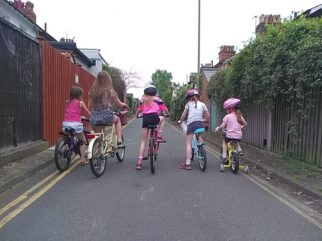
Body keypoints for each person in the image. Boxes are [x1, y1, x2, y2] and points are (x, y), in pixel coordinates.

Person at [88, 71, 128, 148]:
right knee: (118, 120)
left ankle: (98, 149)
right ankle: (119, 141)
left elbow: (90, 105)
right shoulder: (110, 91)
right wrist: (125, 105)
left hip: (94, 118)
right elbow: (119, 104)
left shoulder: (92, 91)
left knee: (98, 136)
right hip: (106, 117)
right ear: (108, 80)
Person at [135, 85, 169, 170]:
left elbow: (138, 110)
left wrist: (137, 116)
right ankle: (159, 134)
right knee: (163, 118)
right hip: (155, 118)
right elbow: (165, 109)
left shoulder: (143, 100)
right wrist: (167, 114)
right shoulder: (158, 100)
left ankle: (139, 162)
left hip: (145, 119)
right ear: (155, 92)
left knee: (143, 141)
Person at [177, 89, 209, 170]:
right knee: (198, 135)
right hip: (200, 124)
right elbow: (208, 115)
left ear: (189, 98)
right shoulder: (202, 104)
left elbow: (184, 115)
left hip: (191, 124)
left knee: (188, 143)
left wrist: (180, 121)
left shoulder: (188, 104)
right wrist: (206, 121)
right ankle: (201, 147)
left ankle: (187, 163)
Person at [62, 86, 91, 166]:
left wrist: (79, 116)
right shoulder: (80, 103)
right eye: (81, 94)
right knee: (82, 141)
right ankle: (83, 160)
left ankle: (66, 147)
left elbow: (71, 113)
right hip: (76, 124)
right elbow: (88, 113)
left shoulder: (67, 102)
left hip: (65, 124)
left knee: (68, 138)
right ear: (79, 95)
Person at [215, 97, 247, 164]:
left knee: (225, 141)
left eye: (227, 109)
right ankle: (239, 150)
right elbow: (245, 124)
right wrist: (241, 126)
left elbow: (223, 126)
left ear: (230, 108)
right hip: (238, 136)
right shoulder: (239, 116)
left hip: (229, 135)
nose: (227, 110)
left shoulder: (227, 116)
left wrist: (218, 128)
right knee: (236, 139)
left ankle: (224, 156)